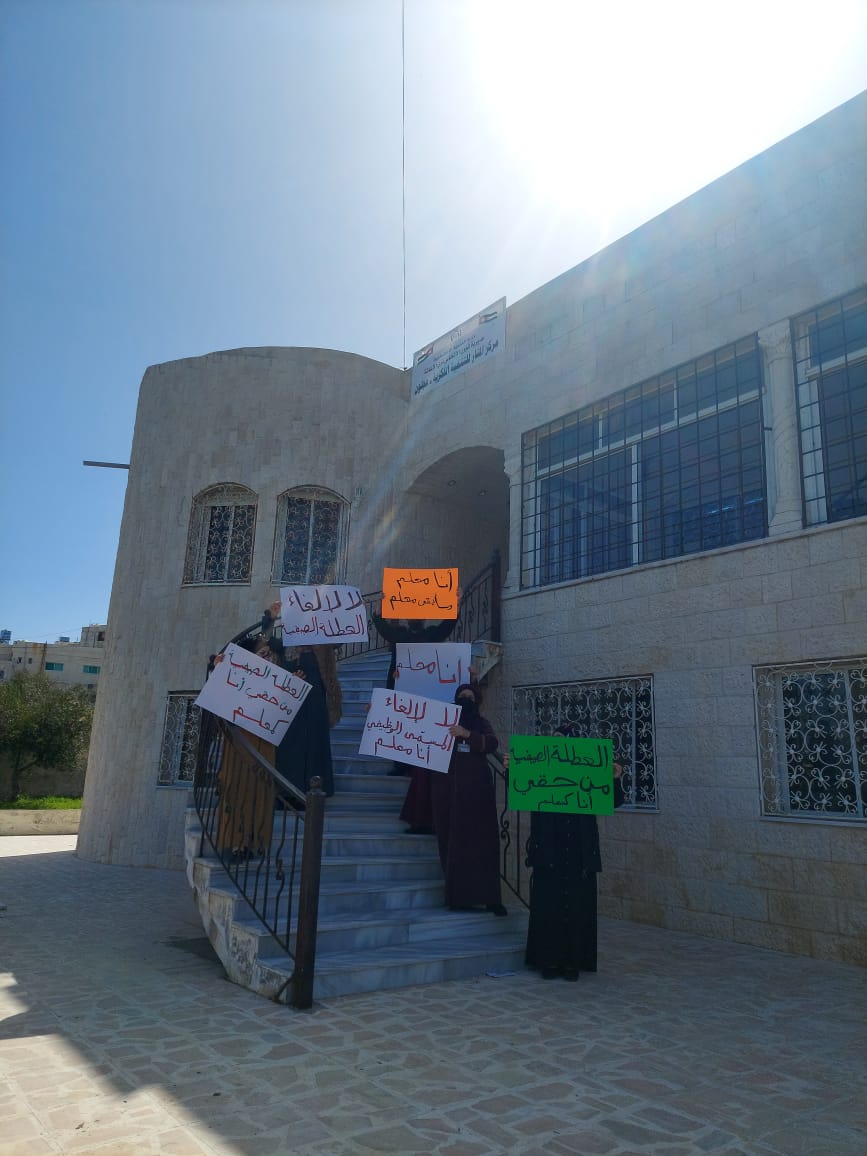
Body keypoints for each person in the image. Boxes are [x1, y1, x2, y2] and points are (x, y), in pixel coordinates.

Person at [523, 725, 625, 980]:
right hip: (549, 847)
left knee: (577, 907)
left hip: (579, 849)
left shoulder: (588, 770)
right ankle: (548, 960)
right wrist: (514, 768)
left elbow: (612, 801)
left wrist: (614, 778)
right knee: (549, 906)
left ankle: (573, 962)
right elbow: (522, 789)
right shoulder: (541, 768)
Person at [429, 682, 507, 916]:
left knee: (484, 844)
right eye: (462, 696)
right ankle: (458, 897)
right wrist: (378, 712)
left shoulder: (481, 723)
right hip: (450, 791)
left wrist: (467, 735)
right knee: (454, 843)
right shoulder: (444, 721)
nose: (466, 700)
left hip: (478, 793)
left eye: (470, 697)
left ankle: (491, 899)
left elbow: (491, 743)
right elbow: (412, 731)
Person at [260, 600, 342, 798]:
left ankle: (316, 792)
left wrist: (351, 610)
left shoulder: (323, 647)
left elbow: (342, 637)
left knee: (315, 746)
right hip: (292, 707)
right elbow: (266, 638)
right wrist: (270, 617)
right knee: (291, 747)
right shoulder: (285, 646)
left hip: (315, 705)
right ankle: (289, 793)